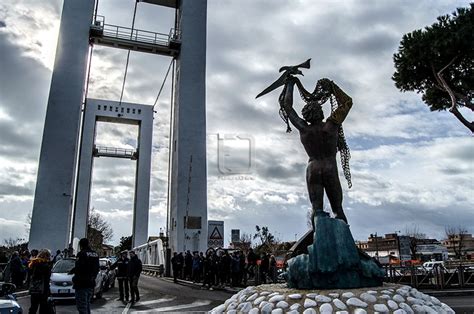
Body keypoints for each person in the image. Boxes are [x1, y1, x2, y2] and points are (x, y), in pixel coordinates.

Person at [279, 75, 353, 225]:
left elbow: (287, 107)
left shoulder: (304, 128)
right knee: (338, 209)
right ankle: (344, 242)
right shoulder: (331, 125)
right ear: (320, 112)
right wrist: (332, 86)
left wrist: (290, 85)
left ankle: (318, 237)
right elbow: (347, 102)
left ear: (307, 116)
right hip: (329, 167)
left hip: (312, 168)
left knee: (316, 209)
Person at [70, 238, 99, 314]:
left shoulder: (81, 254)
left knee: (82, 306)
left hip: (81, 283)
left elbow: (79, 267)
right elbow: (97, 268)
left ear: (81, 245)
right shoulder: (95, 254)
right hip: (91, 283)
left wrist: (73, 272)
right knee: (87, 304)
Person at [28, 249, 52, 314]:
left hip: (34, 288)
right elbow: (47, 280)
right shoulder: (46, 266)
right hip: (43, 290)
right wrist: (48, 292)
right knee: (43, 308)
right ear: (47, 256)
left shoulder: (33, 264)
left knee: (33, 307)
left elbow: (29, 277)